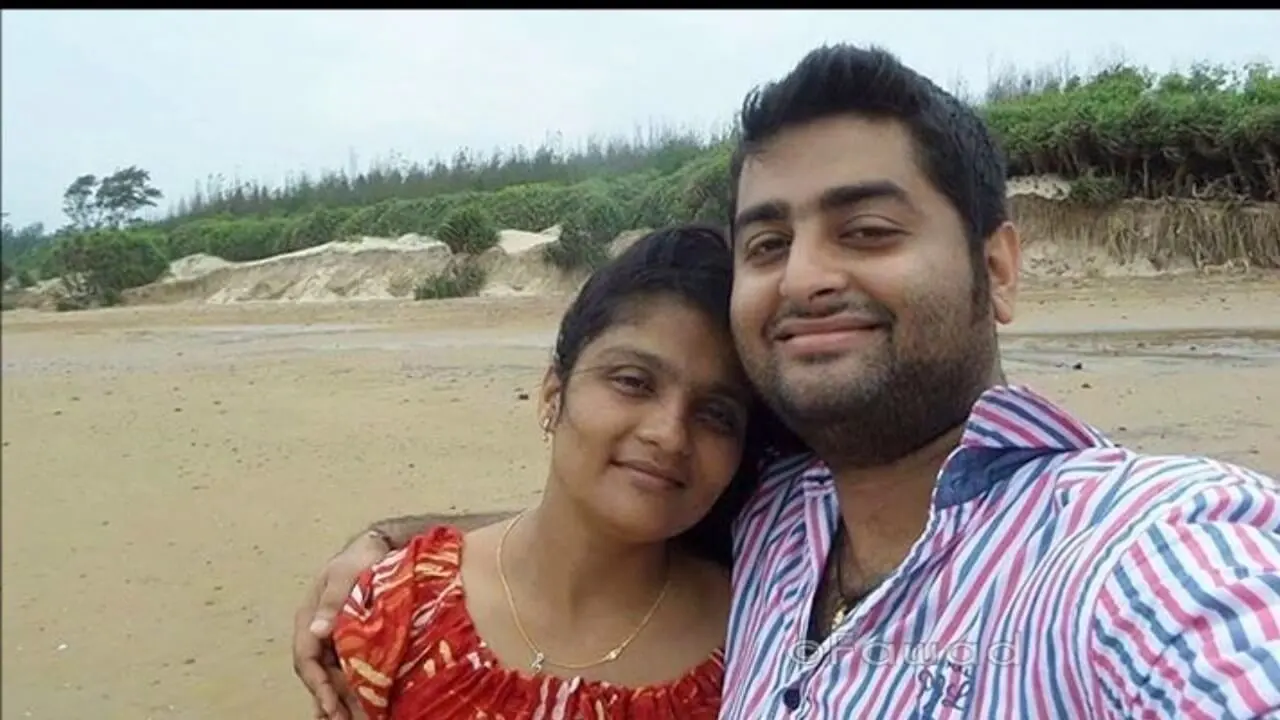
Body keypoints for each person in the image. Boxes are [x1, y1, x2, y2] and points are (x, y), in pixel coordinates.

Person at [295, 44, 1280, 719]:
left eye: (866, 230)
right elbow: (613, 505)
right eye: (768, 240)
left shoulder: (1133, 555)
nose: (803, 276)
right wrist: (390, 541)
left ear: (997, 269)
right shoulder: (776, 514)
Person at [316, 225, 790, 719]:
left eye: (717, 414)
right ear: (552, 393)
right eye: (633, 382)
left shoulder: (766, 647)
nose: (669, 434)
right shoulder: (401, 609)